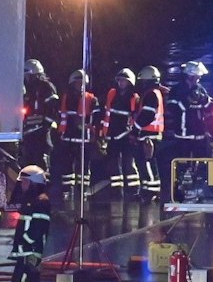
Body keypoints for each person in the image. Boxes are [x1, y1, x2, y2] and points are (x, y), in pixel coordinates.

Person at [8, 166, 52, 282]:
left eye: (25, 182)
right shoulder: (34, 200)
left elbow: (37, 227)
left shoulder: (40, 201)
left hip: (29, 250)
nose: (22, 185)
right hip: (26, 250)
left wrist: (26, 242)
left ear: (33, 182)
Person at [53, 70, 98, 198]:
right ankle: (67, 190)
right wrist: (60, 133)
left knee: (83, 167)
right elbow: (62, 116)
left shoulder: (92, 99)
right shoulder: (66, 98)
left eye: (82, 83)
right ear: (72, 84)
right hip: (68, 138)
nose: (80, 85)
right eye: (77, 83)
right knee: (67, 166)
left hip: (84, 139)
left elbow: (96, 117)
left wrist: (87, 126)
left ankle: (82, 190)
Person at [100, 68, 139, 196]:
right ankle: (117, 191)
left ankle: (133, 191)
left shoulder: (134, 97)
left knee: (128, 163)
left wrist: (133, 134)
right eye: (120, 80)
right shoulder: (112, 93)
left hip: (126, 135)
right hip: (112, 134)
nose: (121, 83)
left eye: (124, 81)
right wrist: (103, 133)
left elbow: (135, 117)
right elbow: (106, 114)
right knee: (114, 163)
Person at [132, 65, 167, 198]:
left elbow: (147, 115)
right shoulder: (154, 93)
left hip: (148, 135)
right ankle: (147, 190)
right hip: (151, 134)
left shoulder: (151, 94)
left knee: (147, 162)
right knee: (146, 162)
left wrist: (135, 129)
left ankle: (151, 191)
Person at [21, 59, 58, 172]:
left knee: (40, 166)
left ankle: (42, 187)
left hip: (41, 135)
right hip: (28, 135)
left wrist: (45, 124)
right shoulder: (28, 89)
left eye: (28, 76)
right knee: (28, 167)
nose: (26, 79)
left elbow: (53, 110)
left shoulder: (46, 88)